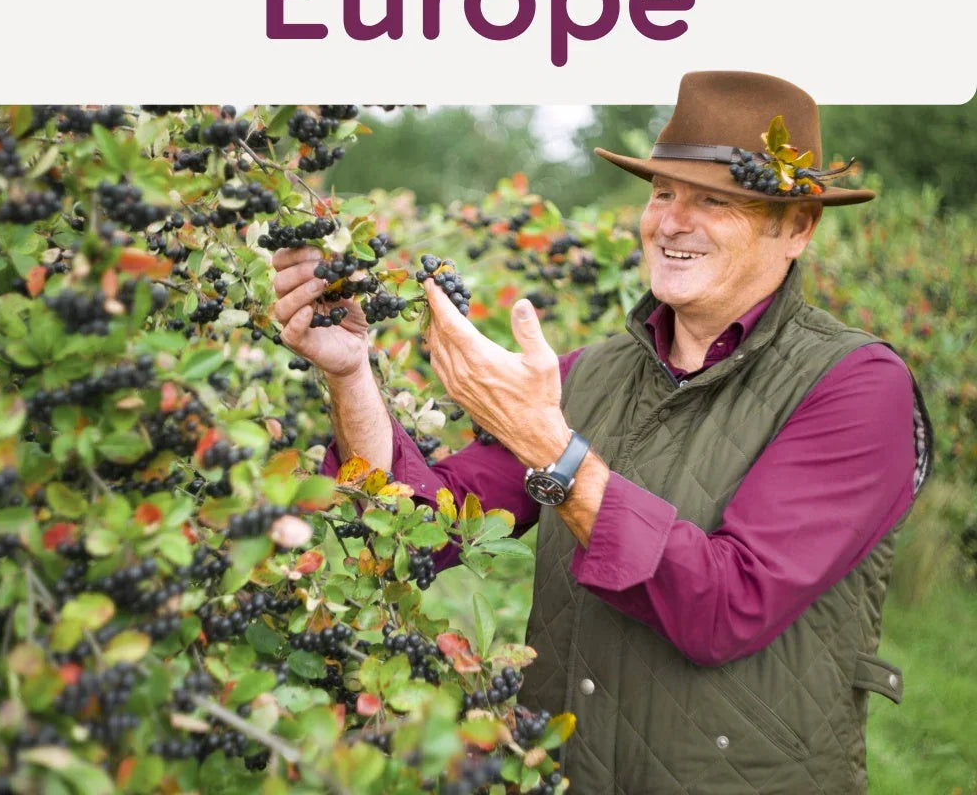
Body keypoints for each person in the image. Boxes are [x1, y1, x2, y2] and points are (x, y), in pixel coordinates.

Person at [270, 71, 932, 795]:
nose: (672, 222)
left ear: (797, 227)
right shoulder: (592, 376)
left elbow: (727, 606)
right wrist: (350, 374)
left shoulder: (856, 386)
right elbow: (419, 528)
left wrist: (552, 450)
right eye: (663, 193)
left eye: (715, 201)